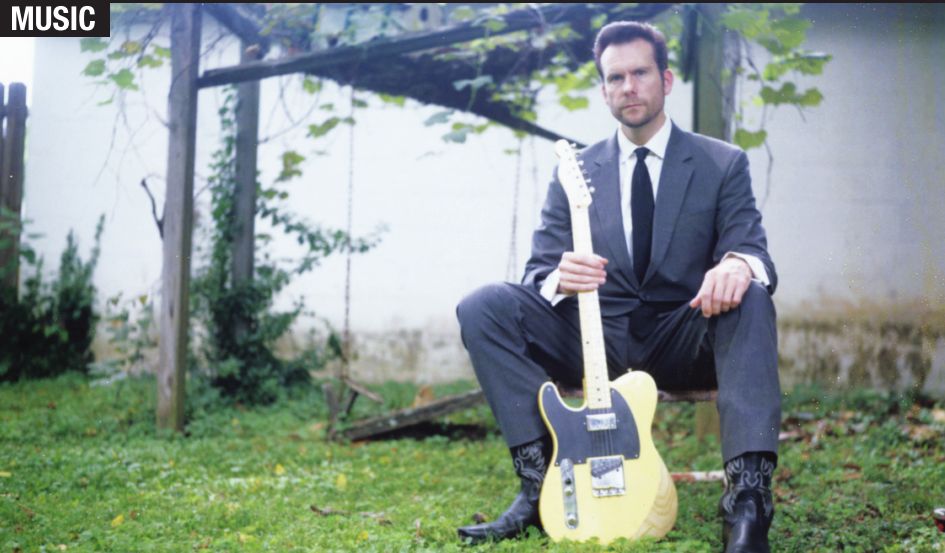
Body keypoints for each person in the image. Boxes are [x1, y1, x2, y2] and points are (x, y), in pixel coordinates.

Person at [454, 21, 781, 553]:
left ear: (666, 80)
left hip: (681, 337)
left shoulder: (722, 163)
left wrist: (738, 265)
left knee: (752, 296)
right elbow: (538, 272)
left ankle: (747, 503)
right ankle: (542, 485)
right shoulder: (576, 169)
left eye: (640, 73)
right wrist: (559, 278)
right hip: (594, 342)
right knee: (483, 306)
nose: (629, 87)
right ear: (604, 90)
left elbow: (753, 249)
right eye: (615, 78)